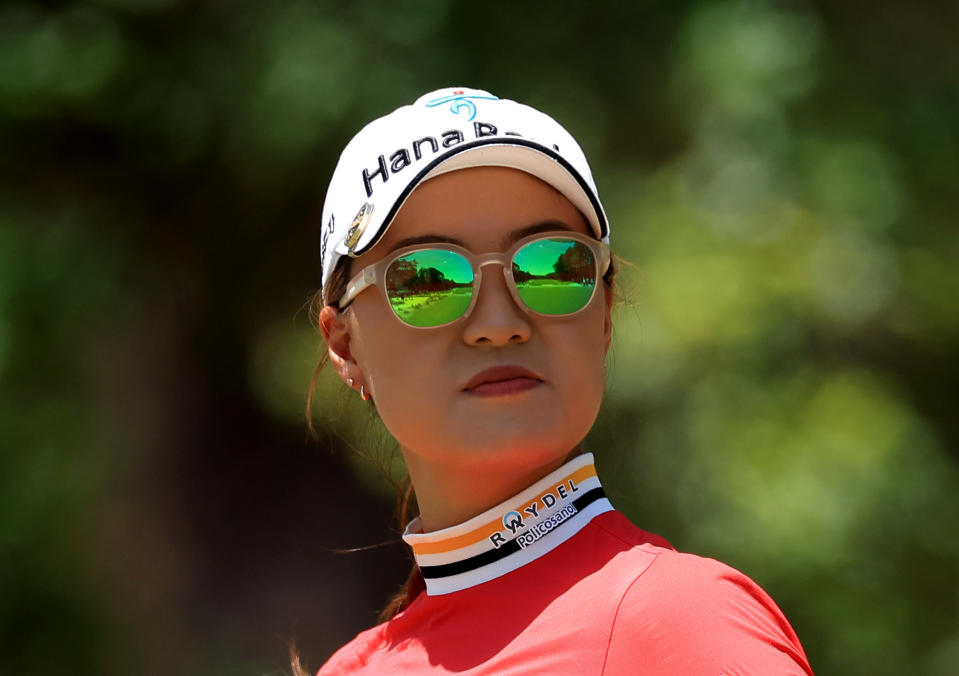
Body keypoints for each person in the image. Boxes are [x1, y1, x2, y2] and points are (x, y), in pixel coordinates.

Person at [307, 87, 813, 675]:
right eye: (428, 279)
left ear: (604, 313)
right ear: (344, 344)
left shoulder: (678, 623)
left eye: (554, 267)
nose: (499, 324)